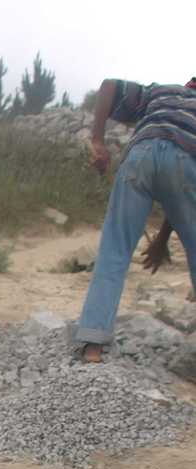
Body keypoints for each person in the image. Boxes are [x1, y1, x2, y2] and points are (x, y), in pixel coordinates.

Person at [77, 76, 196, 363]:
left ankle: (92, 344)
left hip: (139, 156)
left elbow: (106, 86)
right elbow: (181, 190)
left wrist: (97, 141)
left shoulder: (161, 92)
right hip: (186, 162)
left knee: (114, 251)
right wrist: (164, 238)